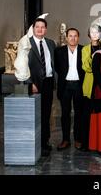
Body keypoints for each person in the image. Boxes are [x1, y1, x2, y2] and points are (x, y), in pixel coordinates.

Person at [28, 18, 56, 156]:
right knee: (35, 115)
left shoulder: (50, 43)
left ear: (46, 29)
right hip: (34, 84)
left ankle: (45, 142)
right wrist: (29, 83)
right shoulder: (27, 43)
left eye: (42, 27)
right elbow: (21, 65)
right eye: (37, 27)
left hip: (48, 82)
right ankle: (34, 143)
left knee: (46, 114)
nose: (40, 29)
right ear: (33, 28)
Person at [54, 28, 85, 151]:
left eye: (75, 36)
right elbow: (57, 68)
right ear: (66, 38)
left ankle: (78, 139)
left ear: (78, 37)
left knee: (79, 114)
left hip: (79, 85)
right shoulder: (59, 51)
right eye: (70, 36)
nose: (73, 38)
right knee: (65, 114)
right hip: (65, 86)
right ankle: (65, 139)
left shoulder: (84, 50)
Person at [81, 24, 101, 151]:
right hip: (90, 84)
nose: (95, 34)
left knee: (100, 115)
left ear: (100, 34)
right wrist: (95, 58)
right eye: (92, 32)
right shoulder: (85, 49)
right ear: (89, 34)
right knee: (87, 115)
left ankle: (99, 142)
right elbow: (86, 67)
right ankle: (86, 143)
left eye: (97, 32)